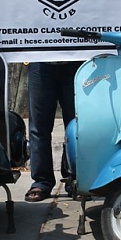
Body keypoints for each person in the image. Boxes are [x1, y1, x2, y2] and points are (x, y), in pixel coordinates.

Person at [24, 60, 82, 202]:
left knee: (78, 127)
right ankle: (41, 181)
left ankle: (75, 179)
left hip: (76, 60)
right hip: (41, 62)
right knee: (38, 127)